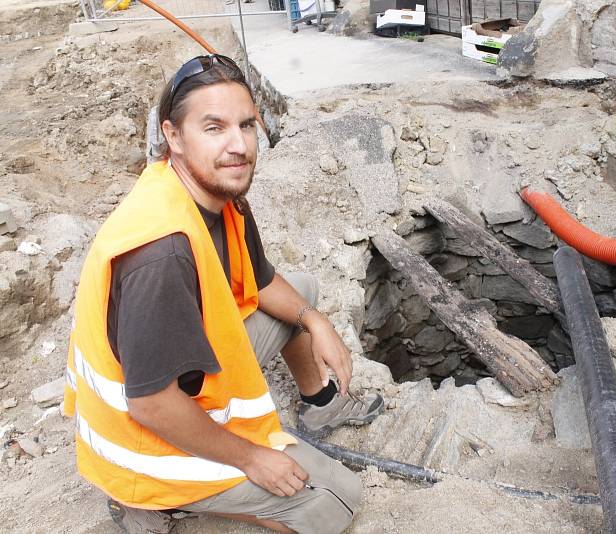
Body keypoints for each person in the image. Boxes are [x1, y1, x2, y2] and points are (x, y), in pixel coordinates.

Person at [63, 54, 384, 534]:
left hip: (180, 378)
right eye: (214, 128)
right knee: (337, 502)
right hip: (144, 442)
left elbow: (260, 282)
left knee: (301, 293)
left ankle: (320, 407)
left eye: (246, 125)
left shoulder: (218, 195)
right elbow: (151, 404)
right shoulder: (161, 253)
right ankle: (159, 506)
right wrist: (254, 457)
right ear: (173, 136)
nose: (239, 145)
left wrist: (317, 321)